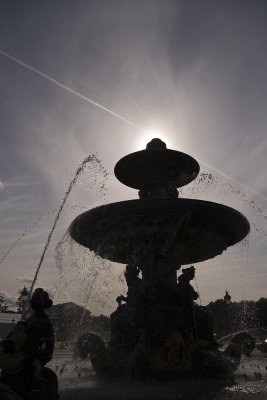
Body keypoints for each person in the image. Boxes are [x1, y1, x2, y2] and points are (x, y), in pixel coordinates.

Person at [0, 288, 58, 400]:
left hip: (23, 363)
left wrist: (33, 358)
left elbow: (49, 349)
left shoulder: (38, 322)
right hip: (22, 362)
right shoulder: (33, 320)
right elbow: (15, 337)